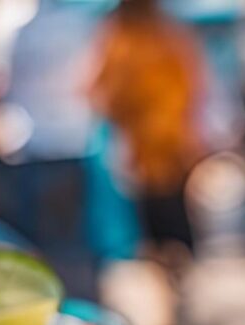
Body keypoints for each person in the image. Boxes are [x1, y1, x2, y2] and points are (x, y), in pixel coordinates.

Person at [85, 0, 208, 255]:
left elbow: (100, 90)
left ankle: (167, 263)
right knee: (163, 215)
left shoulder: (121, 39)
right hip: (158, 144)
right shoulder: (166, 35)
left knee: (156, 218)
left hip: (152, 146)